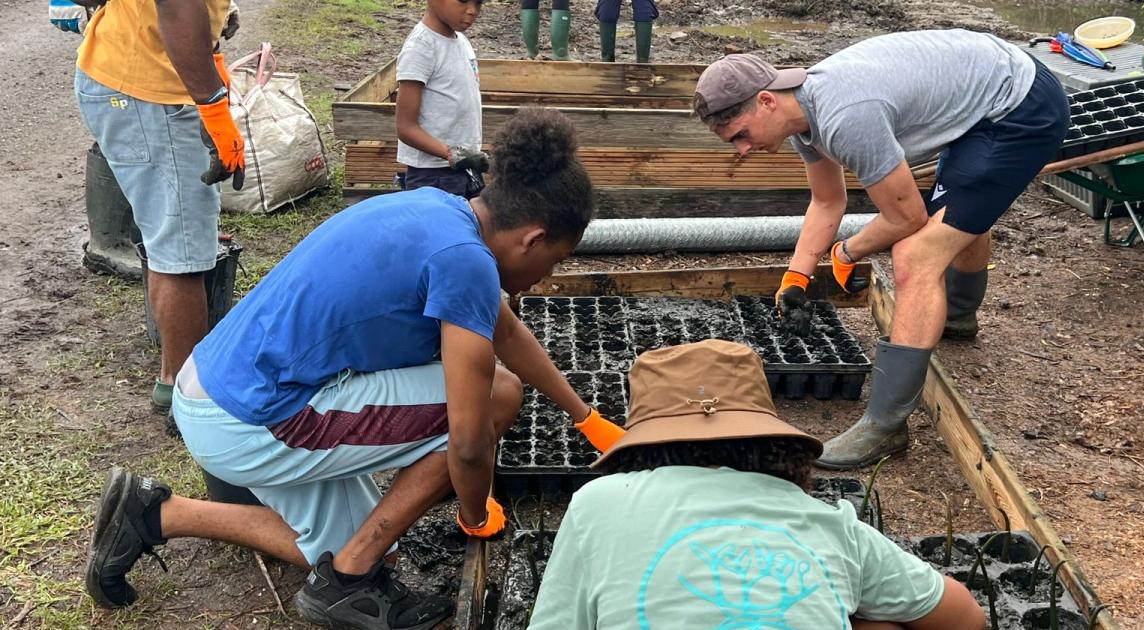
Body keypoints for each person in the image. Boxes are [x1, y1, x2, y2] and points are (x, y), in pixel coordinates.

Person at [84, 108, 625, 629]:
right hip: (251, 418)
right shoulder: (465, 262)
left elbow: (506, 332)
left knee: (344, 539)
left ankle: (154, 514)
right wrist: (475, 513)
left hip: (212, 389)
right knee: (496, 397)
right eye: (553, 261)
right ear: (531, 237)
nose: (548, 276)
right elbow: (467, 442)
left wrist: (584, 416)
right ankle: (350, 579)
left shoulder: (441, 211)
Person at [692, 30, 1069, 470]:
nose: (743, 149)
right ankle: (959, 316)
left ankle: (885, 425)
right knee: (957, 213)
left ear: (767, 101)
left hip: (1019, 107)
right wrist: (796, 276)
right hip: (983, 92)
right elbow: (827, 201)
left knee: (916, 251)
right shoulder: (803, 116)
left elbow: (904, 219)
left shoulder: (847, 116)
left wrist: (847, 252)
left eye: (741, 134)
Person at [527, 339, 986, 629]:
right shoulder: (824, 525)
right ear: (772, 440)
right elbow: (964, 616)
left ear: (643, 443)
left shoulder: (598, 504)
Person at [72, 0, 246, 415]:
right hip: (148, 93)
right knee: (182, 252)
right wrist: (214, 106)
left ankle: (177, 370)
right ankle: (186, 394)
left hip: (124, 74)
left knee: (172, 235)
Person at [394, 0, 489, 199]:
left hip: (465, 169)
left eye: (478, 3)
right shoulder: (421, 47)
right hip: (433, 176)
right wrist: (451, 155)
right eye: (463, 1)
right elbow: (406, 127)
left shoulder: (461, 41)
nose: (472, 11)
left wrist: (466, 158)